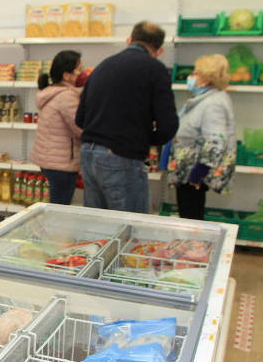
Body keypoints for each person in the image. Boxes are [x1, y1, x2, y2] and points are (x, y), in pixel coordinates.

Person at [75, 21, 178, 213]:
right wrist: (143, 139)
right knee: (131, 228)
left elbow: (80, 119)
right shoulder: (155, 69)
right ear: (159, 50)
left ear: (129, 40)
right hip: (122, 158)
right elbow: (168, 126)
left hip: (88, 155)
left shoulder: (102, 66)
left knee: (97, 225)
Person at [167, 55, 236, 219]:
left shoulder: (213, 103)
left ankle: (193, 245)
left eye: (196, 73)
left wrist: (199, 172)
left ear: (206, 80)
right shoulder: (205, 99)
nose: (191, 77)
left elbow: (215, 140)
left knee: (191, 216)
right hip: (189, 169)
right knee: (189, 213)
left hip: (194, 172)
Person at [30, 50, 85, 205]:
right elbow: (80, 128)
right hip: (62, 163)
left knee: (56, 203)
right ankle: (56, 230)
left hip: (50, 160)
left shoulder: (50, 91)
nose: (82, 73)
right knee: (60, 206)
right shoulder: (67, 96)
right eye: (79, 69)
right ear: (66, 75)